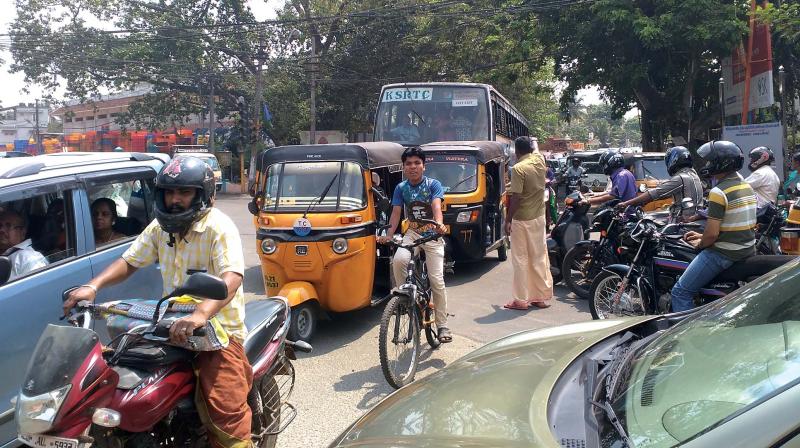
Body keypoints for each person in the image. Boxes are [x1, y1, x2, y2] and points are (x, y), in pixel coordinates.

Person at [63, 156, 252, 448]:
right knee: (117, 375)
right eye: (169, 192)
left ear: (202, 194)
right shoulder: (160, 228)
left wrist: (201, 314)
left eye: (184, 192)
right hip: (171, 326)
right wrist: (93, 286)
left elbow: (232, 277)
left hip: (219, 334)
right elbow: (130, 260)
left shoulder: (219, 227)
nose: (175, 200)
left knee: (225, 411)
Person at [671, 140, 756, 312]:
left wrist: (701, 243)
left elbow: (711, 236)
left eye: (710, 161)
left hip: (724, 254)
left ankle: (685, 335)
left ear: (721, 163)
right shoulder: (746, 186)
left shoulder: (719, 192)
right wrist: (702, 236)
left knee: (680, 291)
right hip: (746, 249)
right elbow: (732, 224)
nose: (707, 165)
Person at [377, 147, 451, 343]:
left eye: (417, 163)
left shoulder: (434, 184)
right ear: (403, 167)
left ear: (423, 166)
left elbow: (436, 207)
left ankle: (442, 325)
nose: (413, 167)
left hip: (433, 236)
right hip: (412, 233)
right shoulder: (401, 188)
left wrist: (439, 224)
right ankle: (407, 301)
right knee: (399, 260)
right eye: (408, 163)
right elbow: (395, 213)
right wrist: (388, 234)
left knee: (436, 280)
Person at [503, 136, 553, 310]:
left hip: (522, 219)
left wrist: (507, 220)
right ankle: (539, 297)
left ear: (516, 152)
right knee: (538, 257)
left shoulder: (518, 168)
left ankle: (521, 300)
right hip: (538, 218)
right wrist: (534, 141)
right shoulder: (539, 160)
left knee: (520, 259)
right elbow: (536, 148)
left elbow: (516, 197)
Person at [616, 146, 703, 221]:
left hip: (684, 221)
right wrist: (643, 201)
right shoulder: (693, 175)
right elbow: (665, 194)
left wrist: (626, 203)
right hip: (692, 217)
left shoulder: (681, 178)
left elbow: (656, 193)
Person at [0, 209, 48, 281]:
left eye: (8, 226)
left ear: (22, 232)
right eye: (0, 225)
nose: (1, 230)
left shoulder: (29, 259)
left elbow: (36, 289)